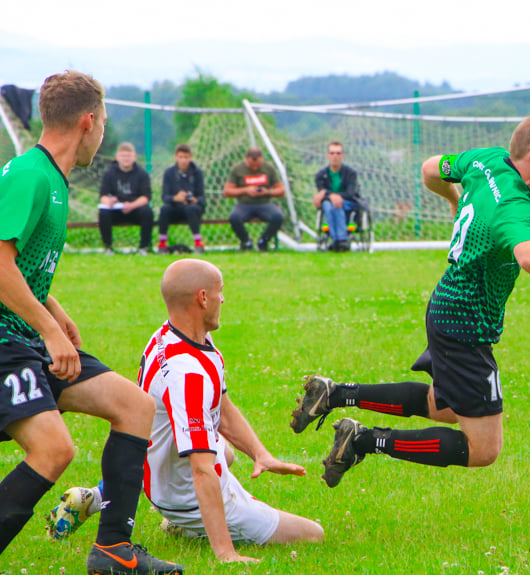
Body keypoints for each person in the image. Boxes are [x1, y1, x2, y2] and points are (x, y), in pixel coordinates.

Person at [288, 113, 530, 488]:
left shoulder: (485, 159)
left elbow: (429, 169)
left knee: (441, 406)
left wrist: (455, 199)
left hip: (446, 303)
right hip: (465, 324)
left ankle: (335, 394)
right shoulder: (512, 204)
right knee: (484, 448)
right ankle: (361, 439)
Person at [0, 70, 182, 574]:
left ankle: (112, 551)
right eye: (103, 121)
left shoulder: (50, 179)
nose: (103, 133)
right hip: (5, 342)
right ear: (88, 121)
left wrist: (53, 310)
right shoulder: (31, 175)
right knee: (54, 450)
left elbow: (20, 264)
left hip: (23, 335)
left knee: (135, 406)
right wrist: (51, 330)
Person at [46, 259, 324, 564]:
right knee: (313, 533)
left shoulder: (171, 335)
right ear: (203, 298)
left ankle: (100, 495)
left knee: (226, 454)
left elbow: (223, 408)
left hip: (152, 465)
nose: (223, 299)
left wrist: (260, 454)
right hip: (180, 495)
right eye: (220, 292)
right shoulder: (189, 375)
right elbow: (202, 469)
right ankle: (187, 522)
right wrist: (226, 553)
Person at [223, 147, 285, 251]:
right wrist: (245, 190)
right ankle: (246, 241)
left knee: (277, 216)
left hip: (264, 203)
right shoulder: (238, 169)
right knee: (234, 217)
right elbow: (227, 191)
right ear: (247, 159)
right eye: (252, 165)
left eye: (258, 165)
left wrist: (267, 192)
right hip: (244, 204)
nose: (255, 168)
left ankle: (264, 241)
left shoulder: (268, 168)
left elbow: (281, 190)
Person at [98, 142, 154, 255]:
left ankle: (143, 248)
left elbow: (146, 197)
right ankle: (108, 247)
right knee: (103, 212)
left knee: (147, 212)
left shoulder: (142, 173)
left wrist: (132, 205)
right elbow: (103, 196)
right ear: (117, 157)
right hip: (116, 209)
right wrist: (109, 202)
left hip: (135, 209)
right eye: (123, 156)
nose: (126, 159)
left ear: (135, 157)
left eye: (128, 156)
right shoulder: (109, 173)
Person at [157, 144, 206, 254]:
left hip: (192, 208)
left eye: (186, 157)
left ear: (191, 157)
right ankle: (162, 244)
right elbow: (165, 196)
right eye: (181, 157)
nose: (183, 160)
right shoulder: (169, 173)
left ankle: (198, 244)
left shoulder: (197, 173)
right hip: (175, 207)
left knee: (192, 209)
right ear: (176, 157)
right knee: (164, 209)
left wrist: (194, 200)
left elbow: (202, 197)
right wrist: (176, 198)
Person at [312, 141, 361, 252]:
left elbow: (350, 193)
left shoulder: (351, 173)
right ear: (328, 155)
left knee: (337, 204)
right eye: (332, 153)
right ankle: (336, 239)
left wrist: (333, 195)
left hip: (347, 202)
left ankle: (341, 239)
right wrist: (331, 196)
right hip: (328, 202)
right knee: (329, 205)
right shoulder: (321, 175)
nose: (335, 156)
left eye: (338, 153)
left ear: (343, 156)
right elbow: (321, 194)